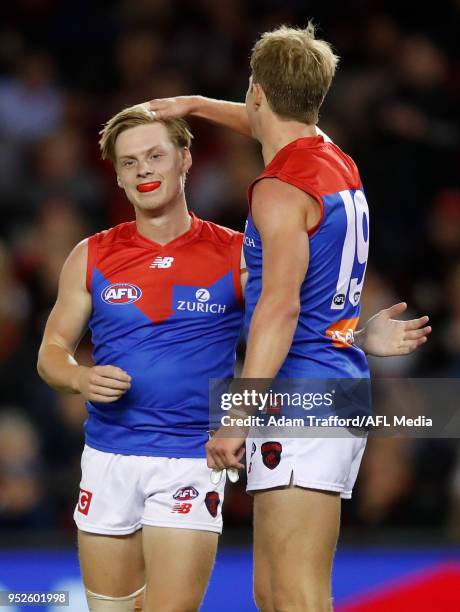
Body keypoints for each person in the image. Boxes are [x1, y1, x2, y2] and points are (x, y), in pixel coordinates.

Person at [37, 104, 429, 612]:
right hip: (108, 458)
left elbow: (288, 317)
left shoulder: (236, 253)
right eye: (130, 162)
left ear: (185, 159)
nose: (144, 171)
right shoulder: (89, 255)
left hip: (189, 460)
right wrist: (78, 379)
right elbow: (50, 353)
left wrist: (353, 335)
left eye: (156, 155)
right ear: (115, 174)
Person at [148, 23, 432, 611]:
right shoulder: (334, 160)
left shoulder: (279, 189)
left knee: (295, 595)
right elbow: (263, 122)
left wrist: (236, 415)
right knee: (274, 594)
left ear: (256, 89)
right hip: (331, 381)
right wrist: (194, 106)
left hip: (303, 393)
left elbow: (280, 307)